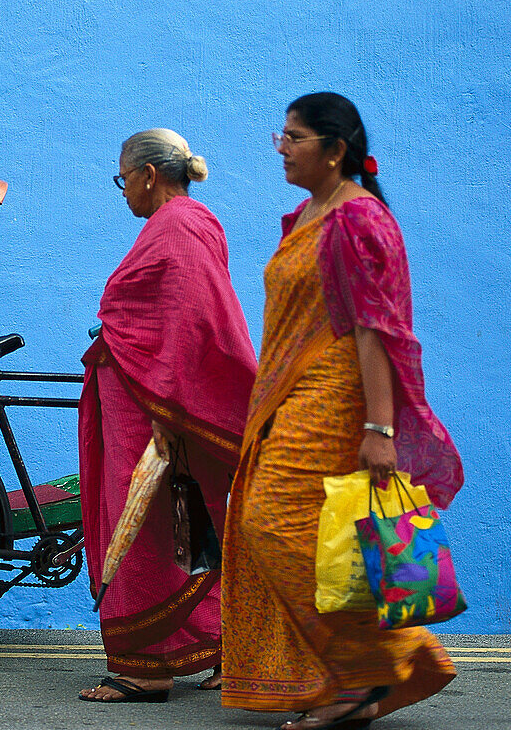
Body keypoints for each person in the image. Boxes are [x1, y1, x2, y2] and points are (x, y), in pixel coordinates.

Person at [220, 93, 465, 729]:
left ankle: (378, 665)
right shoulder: (305, 215)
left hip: (335, 396)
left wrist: (379, 428)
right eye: (283, 133)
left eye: (295, 137)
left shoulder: (359, 220)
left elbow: (373, 329)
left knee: (273, 522)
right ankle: (343, 674)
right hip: (290, 395)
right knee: (298, 534)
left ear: (334, 150)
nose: (281, 146)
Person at [78, 129, 257, 703]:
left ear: (149, 175)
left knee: (149, 528)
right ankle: (224, 652)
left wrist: (168, 408)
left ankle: (143, 667)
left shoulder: (177, 227)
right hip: (151, 399)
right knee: (190, 525)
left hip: (151, 409)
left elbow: (187, 320)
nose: (122, 190)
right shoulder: (190, 223)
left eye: (122, 179)